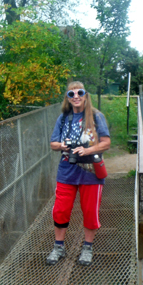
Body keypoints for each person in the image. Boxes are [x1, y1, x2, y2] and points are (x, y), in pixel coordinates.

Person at [46, 81, 111, 266]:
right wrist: (62, 145)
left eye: (79, 92)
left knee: (90, 212)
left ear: (85, 94)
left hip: (91, 173)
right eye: (71, 94)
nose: (76, 96)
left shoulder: (96, 116)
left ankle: (87, 247)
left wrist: (87, 150)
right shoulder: (64, 118)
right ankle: (59, 246)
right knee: (60, 210)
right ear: (67, 97)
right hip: (67, 171)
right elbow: (53, 144)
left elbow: (106, 142)